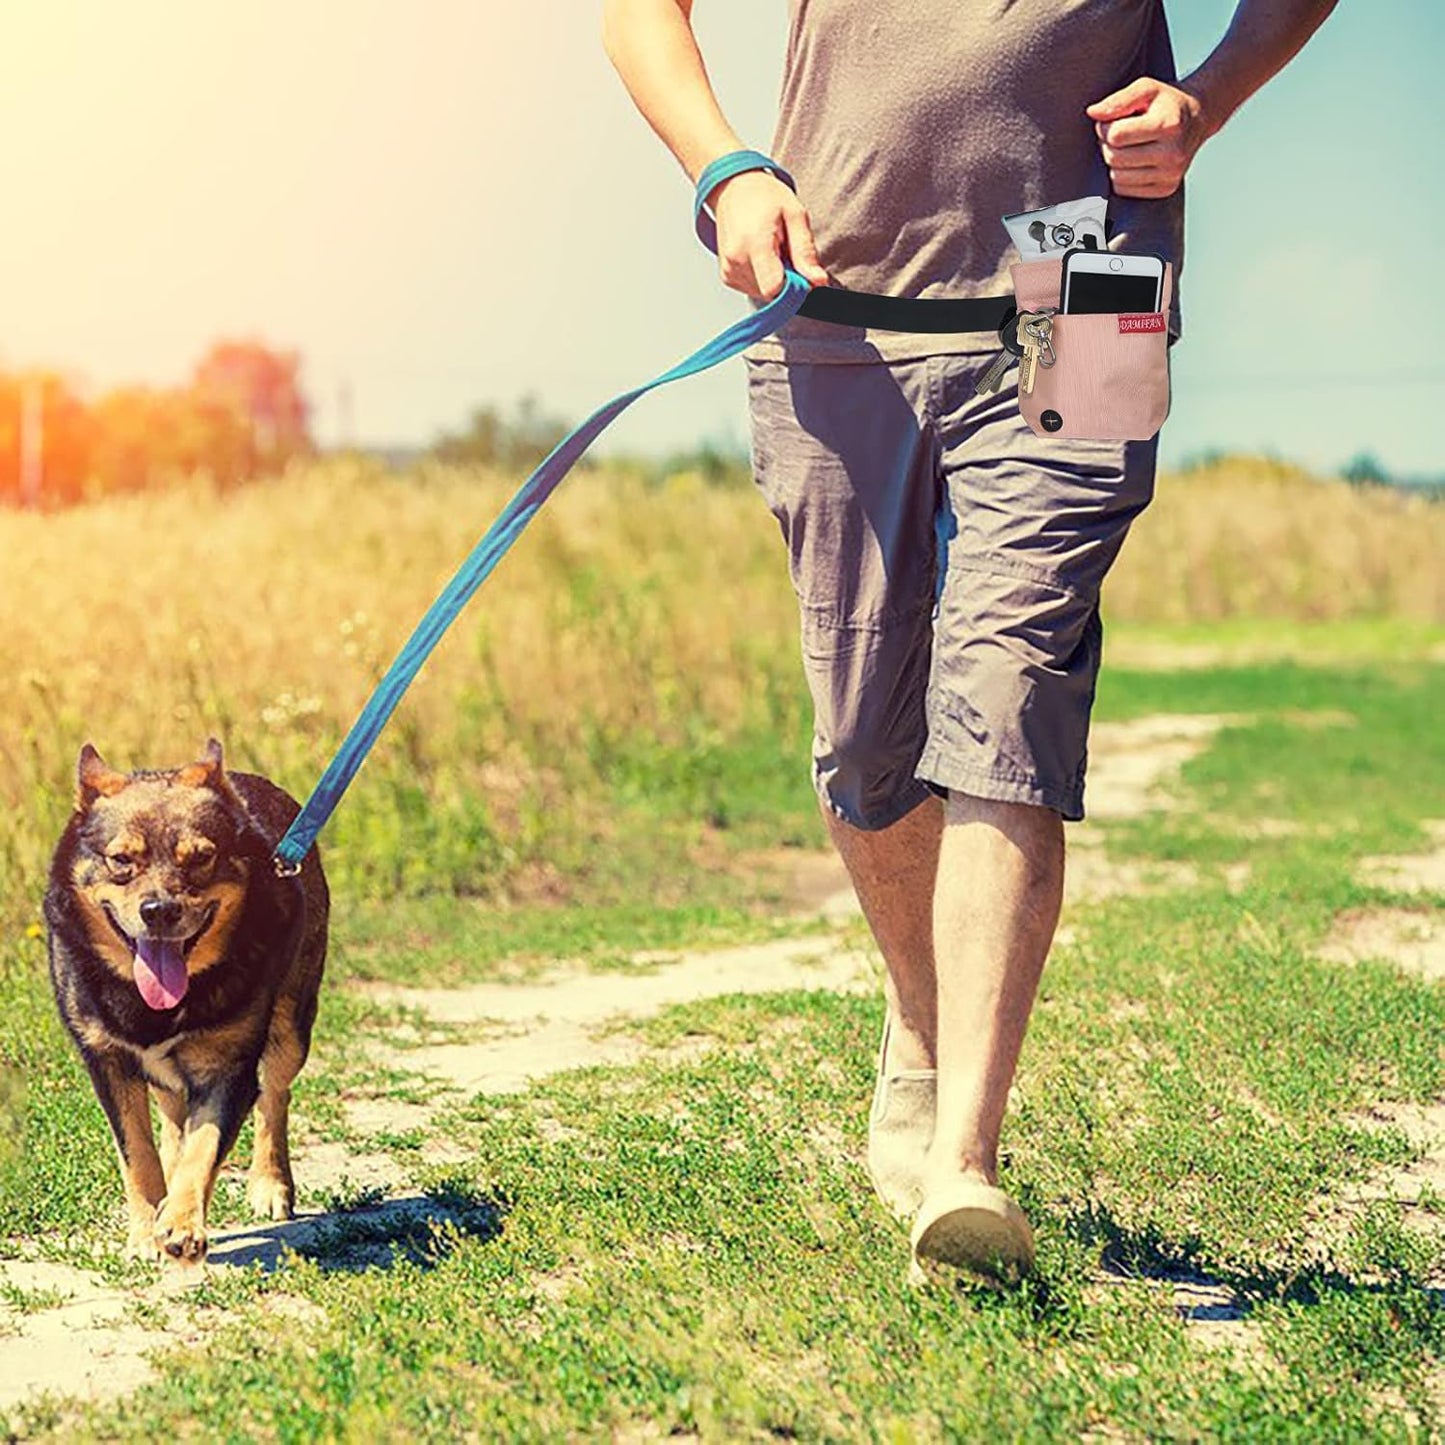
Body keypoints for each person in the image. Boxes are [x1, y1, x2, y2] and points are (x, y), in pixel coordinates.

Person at [601, 0, 1338, 1282]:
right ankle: (921, 1022)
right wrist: (725, 168)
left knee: (1007, 689)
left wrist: (1203, 97)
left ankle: (963, 1163)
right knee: (861, 735)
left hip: (1086, 275)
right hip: (834, 292)